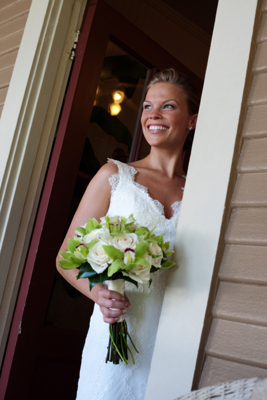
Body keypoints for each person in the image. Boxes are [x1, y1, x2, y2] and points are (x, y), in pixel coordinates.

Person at [56, 68, 199, 400]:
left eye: (168, 106)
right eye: (148, 106)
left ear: (192, 119)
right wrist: (99, 295)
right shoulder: (115, 176)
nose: (153, 115)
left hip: (174, 342)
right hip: (116, 337)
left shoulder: (199, 193)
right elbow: (66, 258)